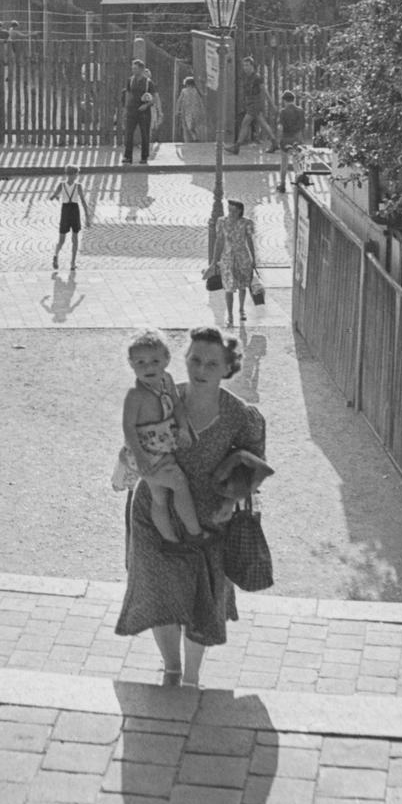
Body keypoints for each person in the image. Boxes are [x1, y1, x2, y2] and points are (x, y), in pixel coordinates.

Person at [115, 325, 267, 688]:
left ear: (227, 368)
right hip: (155, 513)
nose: (200, 369)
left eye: (211, 364)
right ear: (182, 360)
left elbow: (253, 467)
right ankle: (171, 670)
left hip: (209, 522)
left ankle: (192, 679)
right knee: (160, 592)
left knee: (204, 599)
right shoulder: (161, 396)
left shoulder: (241, 416)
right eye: (194, 360)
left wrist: (231, 503)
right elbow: (133, 443)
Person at [116, 330, 206, 544]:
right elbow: (128, 428)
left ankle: (170, 539)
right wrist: (140, 457)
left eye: (155, 361)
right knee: (179, 484)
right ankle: (195, 534)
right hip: (145, 452)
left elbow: (176, 405)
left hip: (161, 446)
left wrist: (183, 428)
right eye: (141, 362)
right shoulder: (135, 395)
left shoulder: (166, 380)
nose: (148, 367)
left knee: (159, 497)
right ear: (131, 364)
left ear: (166, 359)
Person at [210, 199, 259, 327]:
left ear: (239, 211)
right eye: (229, 209)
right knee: (228, 288)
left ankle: (241, 309)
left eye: (233, 210)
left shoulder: (246, 223)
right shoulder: (222, 222)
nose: (230, 212)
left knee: (243, 285)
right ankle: (230, 316)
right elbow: (219, 241)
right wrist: (214, 260)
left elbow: (249, 241)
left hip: (242, 258)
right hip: (227, 259)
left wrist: (254, 259)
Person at [50, 163, 91, 271]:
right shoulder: (78, 186)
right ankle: (72, 263)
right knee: (75, 239)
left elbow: (54, 195)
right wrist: (87, 216)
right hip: (74, 210)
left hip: (65, 211)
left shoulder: (61, 185)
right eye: (76, 174)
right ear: (74, 174)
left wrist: (55, 197)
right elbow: (83, 201)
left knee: (61, 239)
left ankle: (56, 254)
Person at [232, 59, 271, 153]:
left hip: (255, 104)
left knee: (245, 123)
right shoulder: (247, 77)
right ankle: (274, 142)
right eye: (244, 65)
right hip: (250, 104)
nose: (245, 67)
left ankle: (236, 147)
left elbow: (264, 91)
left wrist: (270, 104)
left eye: (247, 65)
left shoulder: (257, 77)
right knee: (263, 124)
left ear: (252, 66)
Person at [122, 58, 153, 165]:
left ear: (141, 69)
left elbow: (153, 98)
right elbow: (127, 95)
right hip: (132, 110)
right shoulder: (130, 80)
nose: (133, 70)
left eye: (135, 68)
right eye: (132, 68)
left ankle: (144, 157)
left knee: (145, 134)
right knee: (128, 134)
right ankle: (127, 157)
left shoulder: (148, 82)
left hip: (144, 112)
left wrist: (146, 105)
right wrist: (125, 109)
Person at [277, 90, 306, 192]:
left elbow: (280, 127)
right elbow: (302, 127)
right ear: (294, 99)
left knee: (284, 163)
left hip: (285, 139)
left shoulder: (283, 112)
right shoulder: (300, 111)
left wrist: (279, 139)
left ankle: (282, 184)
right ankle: (298, 182)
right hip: (296, 139)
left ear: (284, 100)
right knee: (296, 162)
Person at [174, 75, 207, 143]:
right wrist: (202, 109)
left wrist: (177, 109)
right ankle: (195, 138)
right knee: (194, 125)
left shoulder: (184, 91)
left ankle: (195, 138)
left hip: (188, 110)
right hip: (195, 109)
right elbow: (200, 101)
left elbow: (179, 100)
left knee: (189, 125)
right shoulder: (195, 91)